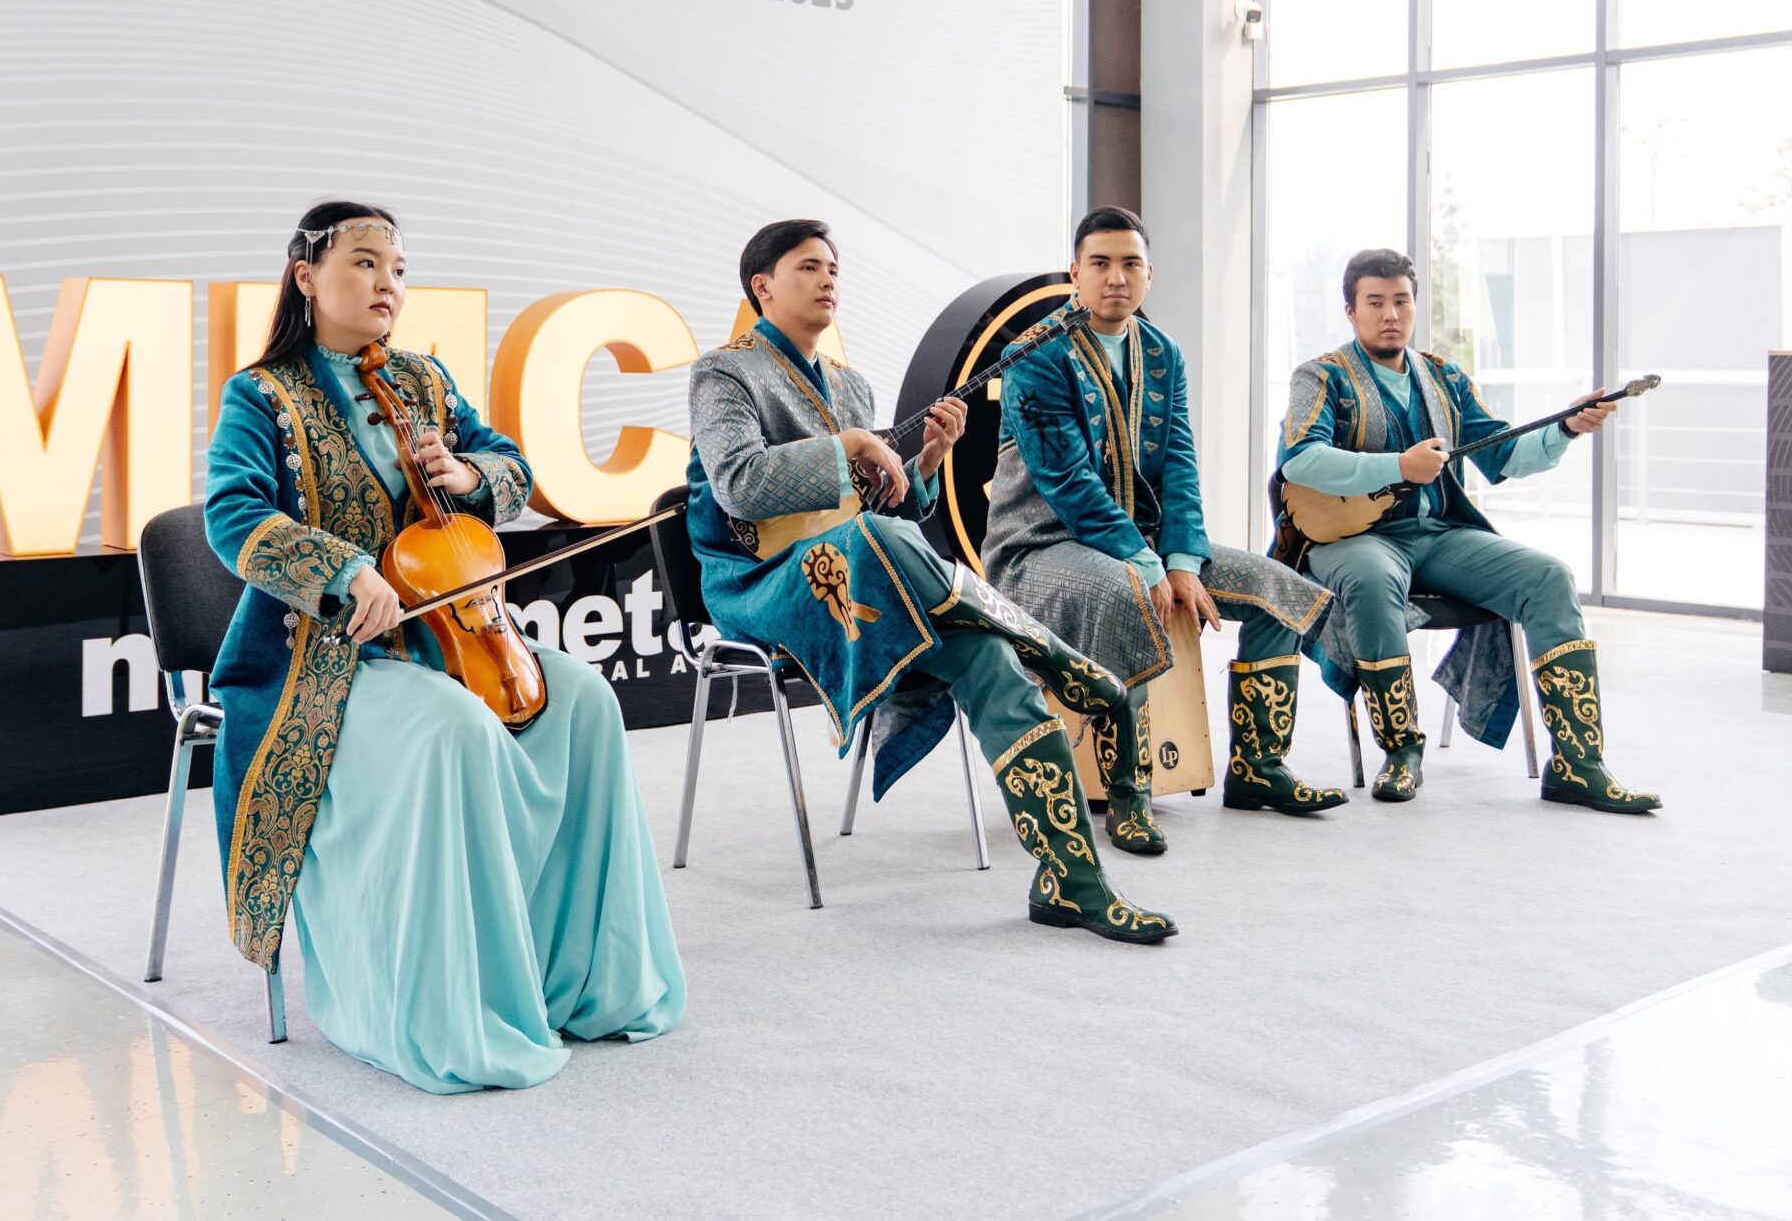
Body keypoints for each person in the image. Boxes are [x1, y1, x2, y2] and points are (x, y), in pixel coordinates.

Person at [203, 200, 686, 1094]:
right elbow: (233, 516)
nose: (386, 282)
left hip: (452, 636)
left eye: (397, 267)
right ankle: (461, 1005)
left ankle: (584, 981)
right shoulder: (262, 394)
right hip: (327, 657)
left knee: (585, 701)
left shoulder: (423, 379)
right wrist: (345, 570)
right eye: (364, 262)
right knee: (453, 731)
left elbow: (513, 466)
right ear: (306, 276)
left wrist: (469, 474)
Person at [685, 219, 1172, 944]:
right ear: (762, 286)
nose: (828, 280)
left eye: (834, 268)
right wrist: (851, 444)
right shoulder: (723, 372)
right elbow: (739, 485)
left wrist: (927, 464)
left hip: (863, 570)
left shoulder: (850, 384)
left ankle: (1071, 882)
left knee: (989, 659)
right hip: (761, 584)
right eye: (809, 267)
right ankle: (1052, 653)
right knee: (883, 544)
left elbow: (880, 509)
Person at [983, 207, 1344, 855]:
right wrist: (1148, 566)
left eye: (1130, 264)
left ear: (1149, 273)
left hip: (1146, 546)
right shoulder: (1034, 353)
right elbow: (1067, 481)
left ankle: (1258, 766)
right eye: (1100, 263)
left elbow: (1179, 462)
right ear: (1074, 272)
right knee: (1128, 595)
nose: (1115, 277)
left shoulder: (1162, 352)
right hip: (1039, 547)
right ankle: (1129, 794)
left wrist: (1180, 559)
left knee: (1275, 587)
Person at [1276, 248, 1658, 812]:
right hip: (1351, 539)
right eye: (1375, 302)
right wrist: (1398, 466)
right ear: (1351, 311)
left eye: (1401, 301)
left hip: (1438, 533)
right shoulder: (1319, 376)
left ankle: (1578, 765)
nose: (1390, 314)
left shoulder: (1443, 376)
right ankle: (1402, 751)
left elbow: (1504, 455)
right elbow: (1300, 460)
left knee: (1549, 576)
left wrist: (1567, 428)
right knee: (1372, 581)